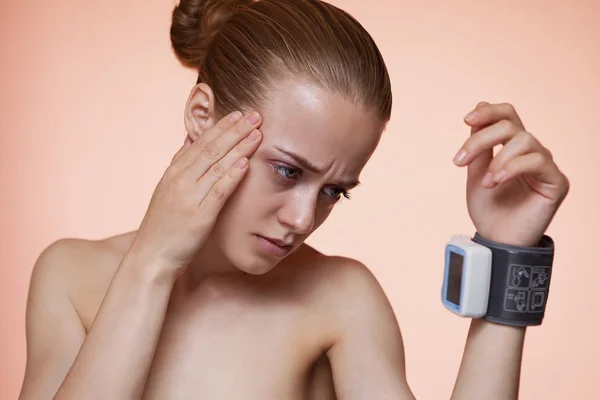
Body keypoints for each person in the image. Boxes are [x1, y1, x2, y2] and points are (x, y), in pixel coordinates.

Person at [17, 0, 570, 399]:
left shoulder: (339, 299)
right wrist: (153, 263)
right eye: (286, 171)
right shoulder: (71, 278)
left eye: (334, 191)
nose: (304, 219)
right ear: (202, 117)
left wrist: (508, 256)